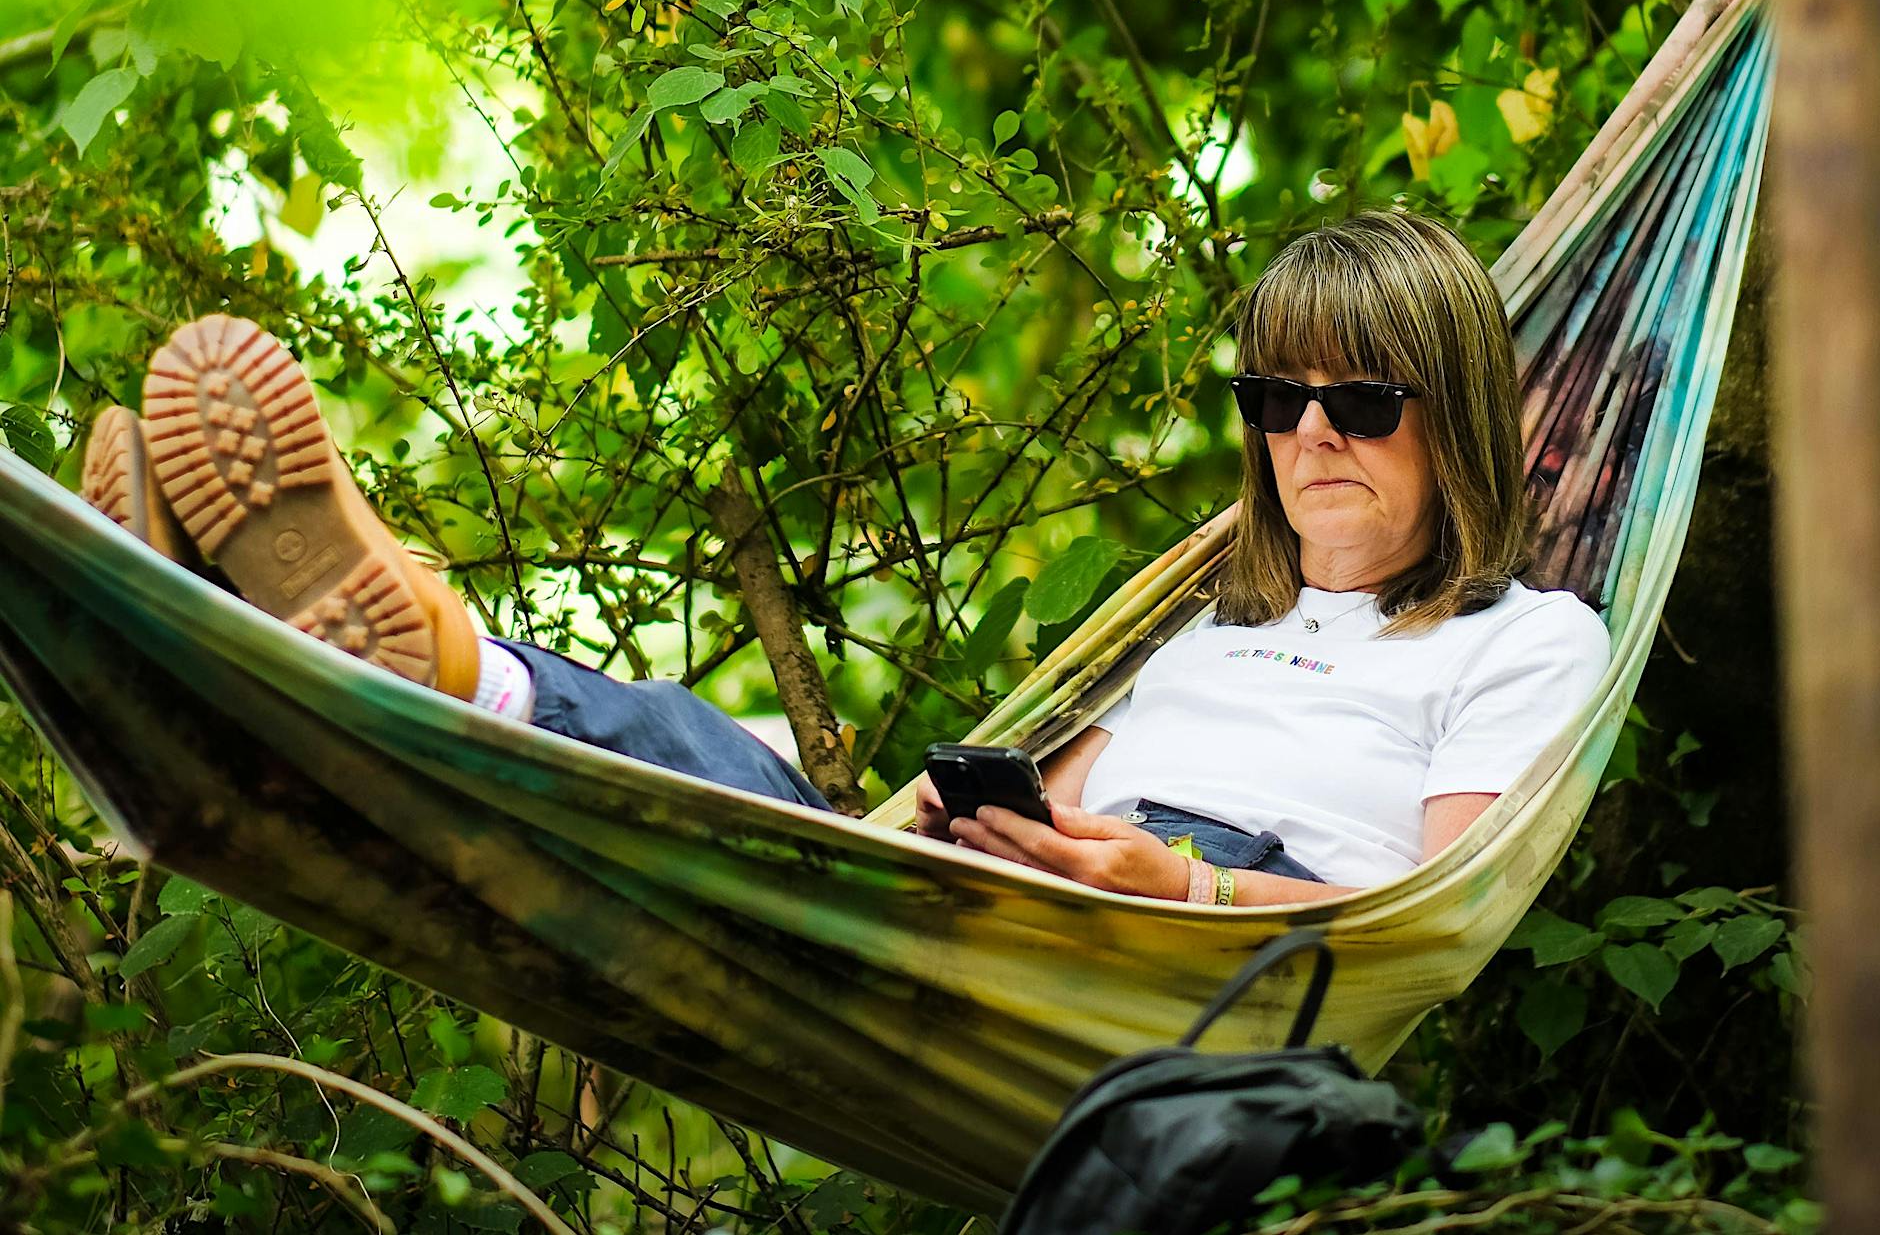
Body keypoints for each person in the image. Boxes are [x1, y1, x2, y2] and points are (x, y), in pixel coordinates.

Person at [83, 208, 1608, 907]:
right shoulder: (1209, 634)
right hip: (1048, 909)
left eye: (1361, 401)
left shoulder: (1523, 640)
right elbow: (1046, 809)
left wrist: (1190, 891)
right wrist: (977, 820)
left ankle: (414, 643)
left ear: (1454, 415)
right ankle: (270, 628)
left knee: (751, 816)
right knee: (742, 798)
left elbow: (1436, 907)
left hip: (1199, 945)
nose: (1310, 436)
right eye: (1279, 400)